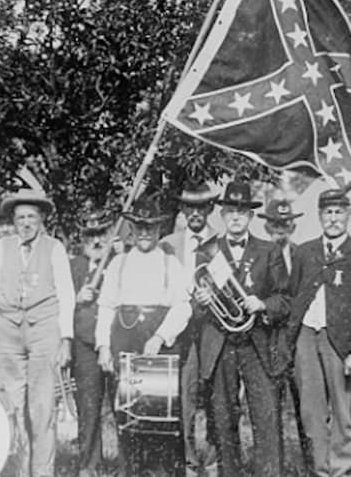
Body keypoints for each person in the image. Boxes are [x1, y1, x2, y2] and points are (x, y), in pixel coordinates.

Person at [193, 180, 290, 477]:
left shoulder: (268, 250)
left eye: (242, 212)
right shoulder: (208, 251)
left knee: (266, 415)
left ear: (250, 216)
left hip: (257, 342)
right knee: (222, 419)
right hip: (220, 343)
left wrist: (262, 304)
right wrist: (201, 300)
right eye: (230, 211)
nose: (236, 217)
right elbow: (197, 304)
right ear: (222, 215)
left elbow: (285, 299)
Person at [0, 183, 75, 477]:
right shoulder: (1, 247)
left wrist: (65, 338)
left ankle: (42, 471)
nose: (26, 224)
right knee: (11, 404)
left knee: (42, 407)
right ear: (13, 220)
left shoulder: (55, 247)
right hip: (9, 330)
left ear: (41, 220)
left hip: (44, 330)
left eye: (31, 218)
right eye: (21, 218)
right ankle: (17, 470)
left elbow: (66, 293)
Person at [96, 199, 191, 476]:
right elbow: (105, 306)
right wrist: (103, 346)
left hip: (158, 345)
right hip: (125, 342)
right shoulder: (118, 263)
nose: (145, 233)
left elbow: (183, 306)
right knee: (128, 416)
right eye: (139, 227)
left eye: (150, 227)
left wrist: (161, 336)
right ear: (132, 230)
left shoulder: (170, 263)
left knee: (163, 417)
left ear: (159, 228)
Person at [286, 188, 351, 477]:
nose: (333, 218)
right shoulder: (304, 251)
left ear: (348, 215)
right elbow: (294, 294)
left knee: (343, 411)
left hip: (341, 342)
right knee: (312, 411)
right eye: (328, 212)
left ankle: (342, 470)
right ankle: (320, 470)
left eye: (338, 212)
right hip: (306, 337)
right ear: (319, 216)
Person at [160, 178, 219, 477]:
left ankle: (211, 461)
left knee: (213, 395)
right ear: (182, 209)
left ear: (209, 208)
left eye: (201, 207)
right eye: (189, 207)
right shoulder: (167, 244)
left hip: (213, 328)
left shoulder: (220, 242)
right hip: (180, 331)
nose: (195, 213)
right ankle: (188, 465)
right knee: (183, 396)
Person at [258, 197, 310, 476]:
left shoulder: (304, 254)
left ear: (293, 225)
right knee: (269, 408)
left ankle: (310, 467)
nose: (280, 229)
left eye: (285, 223)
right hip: (268, 340)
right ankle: (274, 468)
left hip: (298, 340)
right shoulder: (260, 254)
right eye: (275, 224)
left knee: (307, 407)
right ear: (266, 226)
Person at [69, 210, 114, 477]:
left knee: (124, 405)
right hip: (84, 345)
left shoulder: (120, 261)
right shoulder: (73, 266)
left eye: (101, 234)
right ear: (82, 238)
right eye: (90, 235)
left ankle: (126, 465)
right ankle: (89, 467)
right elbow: (60, 303)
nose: (96, 240)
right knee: (88, 408)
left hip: (115, 343)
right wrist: (77, 296)